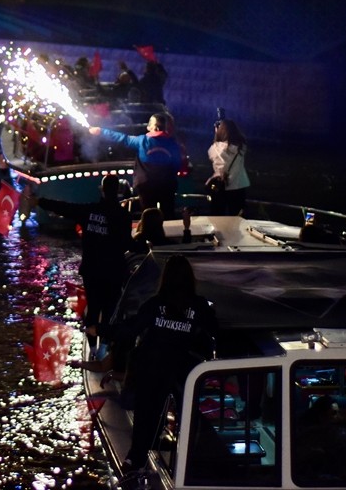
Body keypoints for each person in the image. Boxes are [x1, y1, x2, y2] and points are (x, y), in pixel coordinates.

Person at [106, 254, 219, 471]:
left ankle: (135, 459)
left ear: (165, 278)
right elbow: (213, 329)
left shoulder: (154, 305)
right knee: (188, 412)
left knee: (145, 413)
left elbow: (131, 329)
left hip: (152, 367)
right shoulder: (199, 306)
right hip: (182, 369)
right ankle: (190, 459)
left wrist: (101, 330)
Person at [36, 174, 132, 333]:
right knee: (111, 309)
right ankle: (106, 340)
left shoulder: (88, 211)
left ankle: (91, 341)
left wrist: (40, 201)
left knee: (93, 308)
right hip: (113, 271)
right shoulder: (123, 216)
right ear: (118, 190)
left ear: (102, 190)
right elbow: (127, 243)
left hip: (92, 270)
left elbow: (65, 208)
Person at [89, 112, 183, 217]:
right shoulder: (173, 144)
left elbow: (121, 138)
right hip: (167, 185)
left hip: (145, 185)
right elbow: (177, 165)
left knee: (148, 214)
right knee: (168, 214)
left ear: (152, 127)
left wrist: (101, 131)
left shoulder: (141, 141)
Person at [206, 118, 249, 215]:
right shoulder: (241, 148)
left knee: (217, 215)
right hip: (238, 186)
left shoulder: (213, 149)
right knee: (237, 217)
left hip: (219, 186)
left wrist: (217, 131)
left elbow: (215, 151)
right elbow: (242, 140)